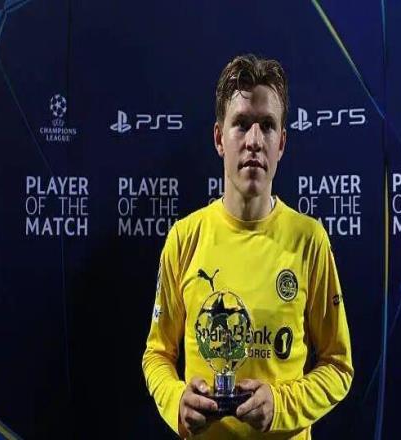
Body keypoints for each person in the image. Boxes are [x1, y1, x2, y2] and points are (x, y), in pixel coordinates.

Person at [142, 54, 353, 439]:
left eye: (267, 126)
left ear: (281, 143)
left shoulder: (309, 241)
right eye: (241, 124)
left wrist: (281, 404)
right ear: (219, 138)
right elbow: (157, 355)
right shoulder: (185, 238)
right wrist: (176, 401)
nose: (254, 141)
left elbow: (339, 367)